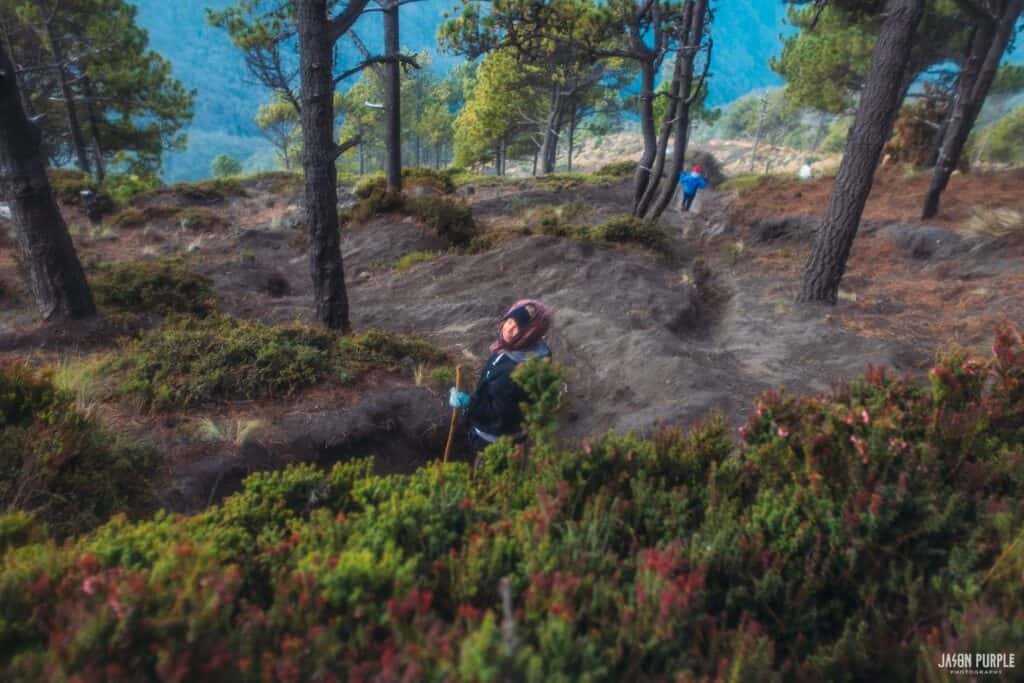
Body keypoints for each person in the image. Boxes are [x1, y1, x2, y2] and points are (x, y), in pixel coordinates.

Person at [449, 299, 552, 455]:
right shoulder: (528, 350)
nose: (509, 329)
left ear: (530, 333)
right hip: (515, 434)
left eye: (518, 327)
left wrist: (469, 404)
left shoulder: (512, 372)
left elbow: (499, 418)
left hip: (493, 442)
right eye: (509, 321)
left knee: (484, 476)